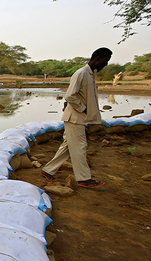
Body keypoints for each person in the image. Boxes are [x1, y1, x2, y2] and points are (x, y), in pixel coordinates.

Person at [41, 47, 112, 188]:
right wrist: (83, 108)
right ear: (97, 58)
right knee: (80, 146)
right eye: (105, 61)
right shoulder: (81, 73)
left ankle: (47, 170)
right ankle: (83, 178)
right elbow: (69, 95)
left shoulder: (90, 75)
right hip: (75, 117)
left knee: (68, 146)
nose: (106, 64)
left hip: (78, 117)